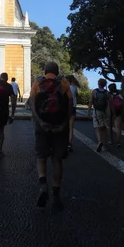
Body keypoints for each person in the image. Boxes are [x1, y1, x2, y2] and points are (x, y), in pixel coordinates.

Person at [30, 62, 74, 209]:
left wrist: (40, 122)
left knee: (41, 157)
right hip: (59, 127)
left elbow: (32, 103)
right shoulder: (64, 82)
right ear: (57, 71)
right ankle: (56, 194)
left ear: (45, 71)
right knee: (57, 159)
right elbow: (69, 105)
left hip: (42, 125)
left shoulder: (38, 82)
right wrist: (64, 124)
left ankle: (43, 184)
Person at [88, 78, 111, 152]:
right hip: (104, 111)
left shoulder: (94, 91)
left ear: (98, 83)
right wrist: (109, 114)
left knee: (97, 128)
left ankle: (99, 141)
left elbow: (91, 102)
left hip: (96, 111)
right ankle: (104, 145)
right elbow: (108, 105)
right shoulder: (107, 93)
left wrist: (88, 112)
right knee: (104, 128)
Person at [65, 75, 80, 153]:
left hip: (66, 108)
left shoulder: (66, 88)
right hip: (73, 108)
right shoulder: (74, 88)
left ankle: (64, 143)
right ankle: (70, 144)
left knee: (64, 126)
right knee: (71, 127)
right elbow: (77, 96)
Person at [108, 83, 124, 148]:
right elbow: (123, 102)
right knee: (118, 128)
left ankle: (111, 140)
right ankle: (118, 142)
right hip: (118, 111)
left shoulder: (108, 95)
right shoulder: (119, 94)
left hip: (110, 112)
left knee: (110, 127)